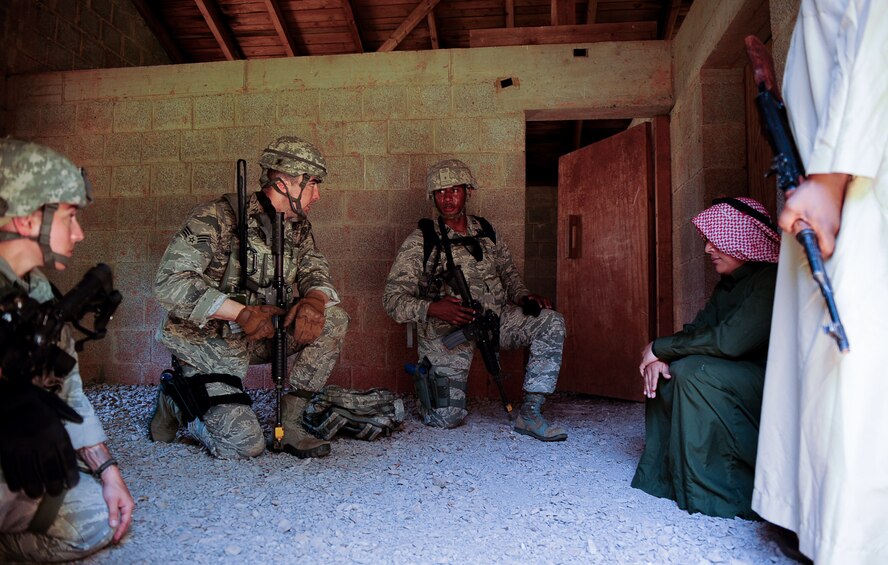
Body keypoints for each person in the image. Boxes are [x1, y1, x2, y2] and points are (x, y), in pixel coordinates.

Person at [752, 1, 888, 562]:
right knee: (814, 358)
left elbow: (875, 29)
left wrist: (830, 177)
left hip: (851, 181)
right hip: (824, 173)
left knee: (849, 358)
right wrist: (775, 97)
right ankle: (813, 519)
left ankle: (848, 539)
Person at [151, 136, 349, 460]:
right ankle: (177, 400)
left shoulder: (298, 229)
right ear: (284, 182)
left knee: (333, 318)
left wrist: (313, 299)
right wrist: (240, 313)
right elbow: (169, 283)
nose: (318, 194)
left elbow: (316, 270)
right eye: (312, 183)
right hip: (207, 345)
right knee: (244, 447)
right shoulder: (217, 217)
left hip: (262, 334)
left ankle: (291, 425)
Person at [0, 138, 134, 561]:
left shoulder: (37, 292)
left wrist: (108, 472)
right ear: (25, 219)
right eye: (69, 216)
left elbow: (68, 389)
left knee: (96, 518)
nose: (78, 233)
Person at [383, 159, 567, 441]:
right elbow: (392, 300)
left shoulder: (486, 231)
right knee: (445, 419)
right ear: (432, 196)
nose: (447, 198)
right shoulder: (422, 240)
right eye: (441, 192)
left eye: (454, 190)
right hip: (448, 332)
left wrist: (524, 295)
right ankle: (431, 391)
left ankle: (531, 412)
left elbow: (509, 274)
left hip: (494, 321)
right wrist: (434, 308)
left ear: (468, 192)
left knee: (551, 322)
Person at [632, 197, 780, 519]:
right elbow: (698, 330)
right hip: (735, 372)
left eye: (716, 241)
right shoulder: (727, 286)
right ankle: (670, 481)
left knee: (694, 372)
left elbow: (730, 342)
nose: (708, 249)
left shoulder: (769, 281)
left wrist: (662, 346)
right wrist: (661, 356)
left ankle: (717, 494)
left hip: (768, 380)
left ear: (741, 239)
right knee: (670, 371)